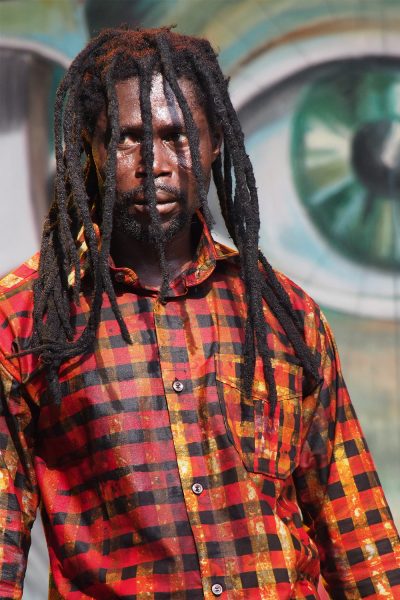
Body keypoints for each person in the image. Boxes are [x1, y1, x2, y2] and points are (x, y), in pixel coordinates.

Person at [0, 27, 399, 599]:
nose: (154, 163)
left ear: (214, 143)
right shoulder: (28, 319)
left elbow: (359, 537)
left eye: (176, 135)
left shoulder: (283, 315)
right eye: (128, 139)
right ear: (88, 144)